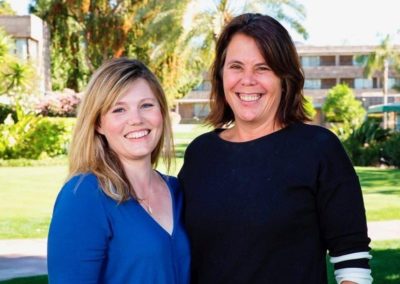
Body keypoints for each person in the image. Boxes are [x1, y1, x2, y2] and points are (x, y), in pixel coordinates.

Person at [178, 13, 372, 284]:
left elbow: (352, 262)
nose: (247, 80)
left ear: (285, 77)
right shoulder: (200, 153)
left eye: (263, 68)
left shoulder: (319, 149)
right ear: (221, 74)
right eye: (236, 66)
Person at [47, 58, 190, 283]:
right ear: (98, 124)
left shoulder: (177, 191)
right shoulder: (84, 196)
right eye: (119, 109)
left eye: (146, 105)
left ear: (162, 113)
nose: (136, 120)